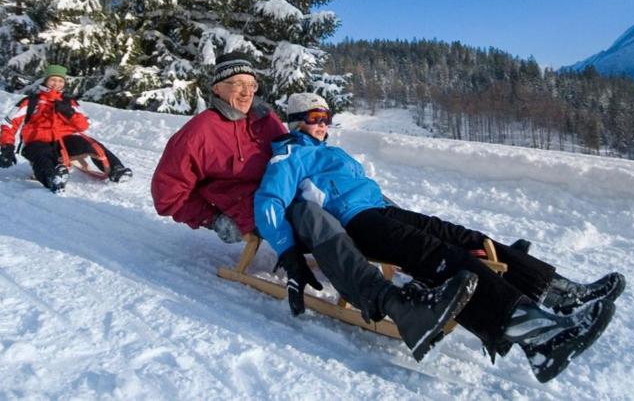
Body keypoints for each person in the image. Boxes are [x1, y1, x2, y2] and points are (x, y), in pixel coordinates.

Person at [254, 93, 624, 383]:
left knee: (466, 237)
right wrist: (289, 253)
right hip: (356, 224)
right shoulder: (290, 154)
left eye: (327, 118)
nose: (322, 125)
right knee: (438, 256)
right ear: (296, 122)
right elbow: (269, 202)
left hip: (383, 210)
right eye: (315, 118)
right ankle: (539, 337)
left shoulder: (332, 151)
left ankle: (558, 293)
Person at [151, 53, 479, 361]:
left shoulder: (265, 121)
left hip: (297, 191)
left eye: (251, 84)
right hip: (262, 210)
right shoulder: (196, 134)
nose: (246, 92)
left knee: (366, 208)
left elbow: (293, 154)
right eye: (237, 84)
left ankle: (442, 264)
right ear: (217, 88)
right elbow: (168, 195)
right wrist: (212, 219)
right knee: (319, 221)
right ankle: (392, 302)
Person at [0, 64, 132, 192]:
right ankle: (52, 178)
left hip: (64, 140)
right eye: (53, 80)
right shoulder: (30, 101)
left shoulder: (68, 102)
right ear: (45, 81)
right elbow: (9, 124)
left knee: (91, 144)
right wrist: (6, 147)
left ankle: (116, 169)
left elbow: (83, 125)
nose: (57, 84)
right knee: (43, 155)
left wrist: (69, 113)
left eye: (60, 81)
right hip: (37, 141)